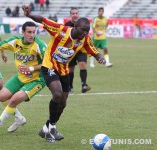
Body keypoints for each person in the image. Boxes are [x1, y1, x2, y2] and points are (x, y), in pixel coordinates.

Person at [22, 5, 106, 142]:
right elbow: (43, 20)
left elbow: (93, 50)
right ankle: (51, 130)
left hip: (63, 70)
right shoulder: (61, 30)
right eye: (83, 30)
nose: (85, 33)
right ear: (75, 27)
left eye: (87, 31)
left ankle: (47, 128)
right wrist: (29, 15)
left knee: (63, 103)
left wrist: (100, 58)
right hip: (49, 66)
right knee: (57, 93)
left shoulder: (84, 39)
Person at [0, 21, 47, 136]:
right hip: (20, 77)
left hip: (36, 80)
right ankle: (19, 119)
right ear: (23, 32)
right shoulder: (15, 41)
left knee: (13, 100)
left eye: (33, 32)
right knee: (2, 97)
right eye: (29, 32)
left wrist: (31, 68)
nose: (31, 35)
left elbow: (48, 64)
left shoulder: (40, 45)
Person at [65, 7, 90, 93]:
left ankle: (84, 85)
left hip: (80, 49)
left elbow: (87, 36)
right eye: (73, 13)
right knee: (71, 69)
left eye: (76, 13)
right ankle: (70, 86)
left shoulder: (83, 24)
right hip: (70, 50)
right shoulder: (66, 25)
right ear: (70, 15)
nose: (75, 15)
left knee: (82, 65)